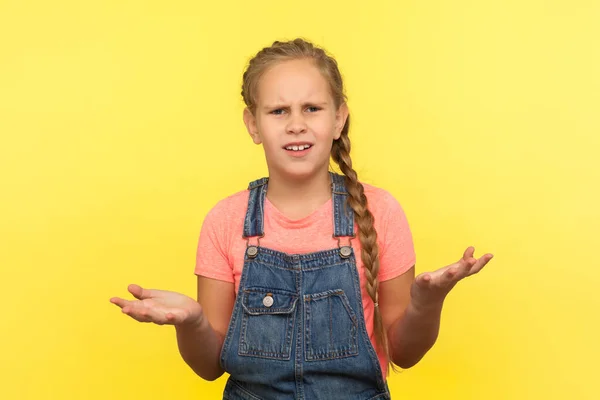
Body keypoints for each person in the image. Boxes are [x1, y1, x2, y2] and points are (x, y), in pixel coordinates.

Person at [110, 38, 494, 399]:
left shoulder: (381, 212)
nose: (296, 123)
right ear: (253, 124)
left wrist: (427, 303)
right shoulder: (225, 220)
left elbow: (404, 354)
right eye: (279, 111)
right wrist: (192, 322)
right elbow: (210, 366)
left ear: (339, 118)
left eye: (312, 108)